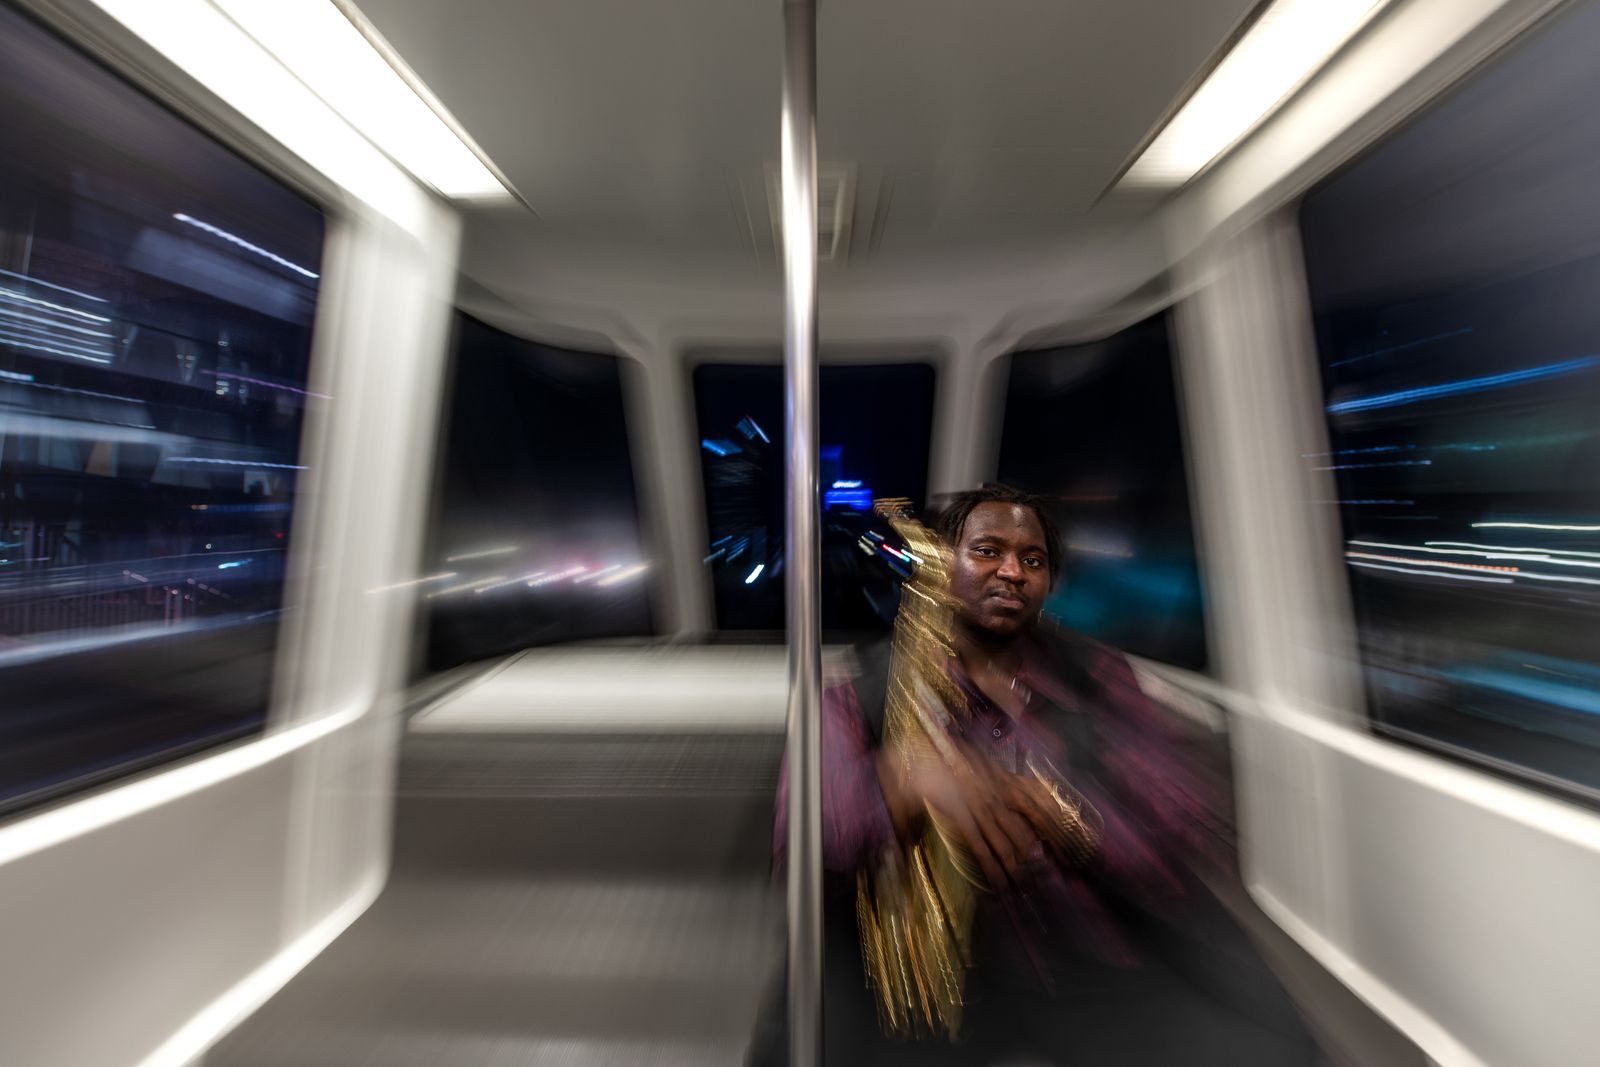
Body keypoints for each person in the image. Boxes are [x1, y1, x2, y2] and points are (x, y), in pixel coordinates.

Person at [749, 485, 1320, 1066]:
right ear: (942, 566)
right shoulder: (858, 693)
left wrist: (1062, 815)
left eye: (1033, 560)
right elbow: (802, 839)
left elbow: (1180, 822)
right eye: (987, 551)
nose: (1012, 572)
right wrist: (905, 782)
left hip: (1093, 959)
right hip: (930, 988)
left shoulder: (1098, 678)